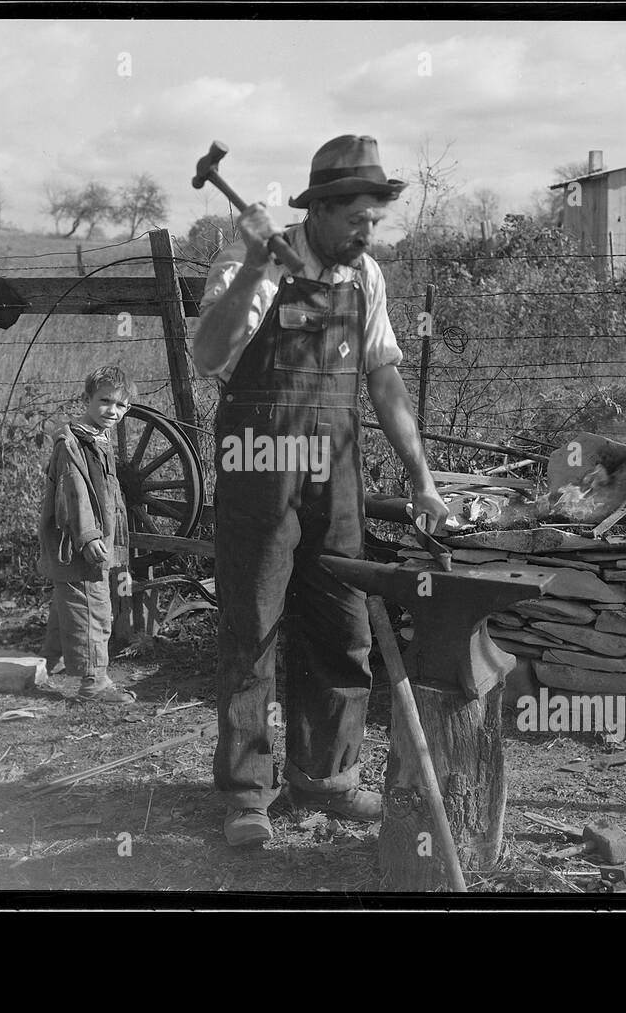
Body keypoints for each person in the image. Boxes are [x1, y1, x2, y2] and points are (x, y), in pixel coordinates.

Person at [193, 135, 450, 846]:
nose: (368, 233)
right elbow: (208, 353)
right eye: (357, 220)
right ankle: (249, 793)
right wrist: (250, 270)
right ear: (322, 209)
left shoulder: (364, 278)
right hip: (258, 462)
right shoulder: (259, 262)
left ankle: (328, 776)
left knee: (343, 625)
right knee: (253, 626)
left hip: (334, 474)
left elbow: (385, 378)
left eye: (375, 220)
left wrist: (421, 478)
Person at [38, 366, 137, 704]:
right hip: (79, 539)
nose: (113, 411)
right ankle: (94, 682)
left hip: (90, 537)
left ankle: (46, 663)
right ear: (86, 399)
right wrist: (89, 535)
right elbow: (74, 491)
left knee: (71, 598)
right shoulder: (73, 443)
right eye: (105, 401)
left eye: (121, 406)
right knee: (92, 606)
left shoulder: (95, 437)